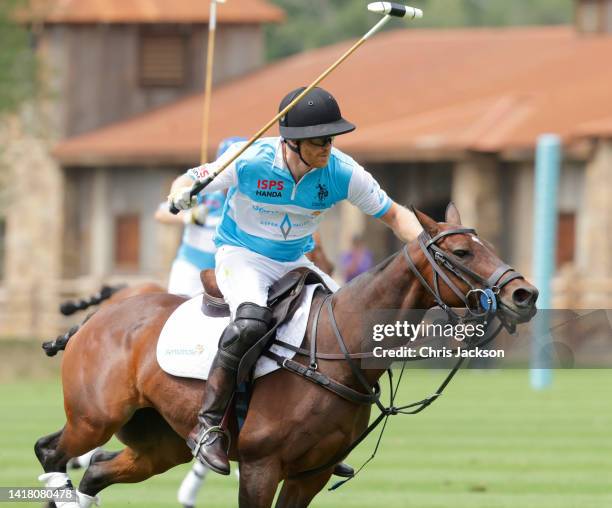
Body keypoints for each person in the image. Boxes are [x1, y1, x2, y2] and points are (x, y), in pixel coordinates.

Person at [169, 86, 423, 476]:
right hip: (243, 256)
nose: (328, 147)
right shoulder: (250, 159)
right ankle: (209, 427)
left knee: (350, 330)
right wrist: (183, 195)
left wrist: (428, 245)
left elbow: (395, 216)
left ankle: (325, 435)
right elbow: (189, 180)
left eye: (331, 138)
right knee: (250, 322)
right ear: (292, 142)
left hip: (293, 261)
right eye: (319, 140)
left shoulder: (341, 171)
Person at [156, 137, 246, 297]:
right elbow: (162, 214)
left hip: (230, 271)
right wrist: (188, 217)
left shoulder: (252, 197)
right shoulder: (205, 189)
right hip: (192, 267)